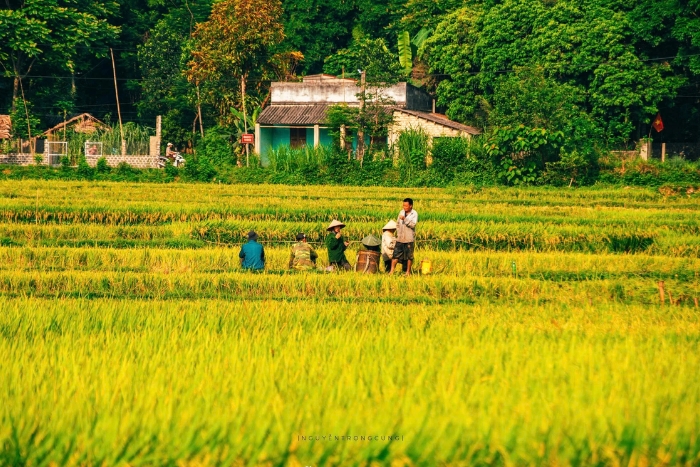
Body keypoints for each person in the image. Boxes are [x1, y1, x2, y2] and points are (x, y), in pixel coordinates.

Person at [390, 198, 418, 276]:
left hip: (409, 238)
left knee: (409, 256)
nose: (404, 207)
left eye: (406, 206)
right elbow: (398, 224)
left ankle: (408, 272)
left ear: (411, 206)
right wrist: (398, 233)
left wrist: (405, 219)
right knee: (395, 255)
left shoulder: (414, 214)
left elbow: (413, 224)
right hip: (400, 238)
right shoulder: (401, 212)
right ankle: (391, 271)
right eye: (403, 205)